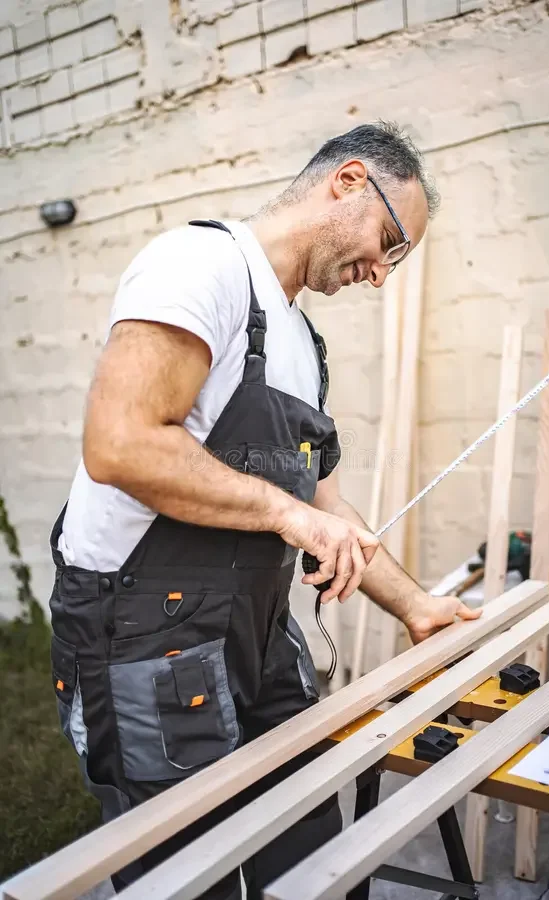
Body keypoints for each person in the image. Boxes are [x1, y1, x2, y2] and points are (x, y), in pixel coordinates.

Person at [48, 121, 481, 898]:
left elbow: (327, 507)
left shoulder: (302, 345)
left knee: (306, 832)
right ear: (348, 180)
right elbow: (120, 443)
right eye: (388, 240)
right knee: (186, 868)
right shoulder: (203, 265)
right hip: (147, 638)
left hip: (250, 626)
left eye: (396, 257)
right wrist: (288, 518)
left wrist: (415, 606)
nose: (381, 273)